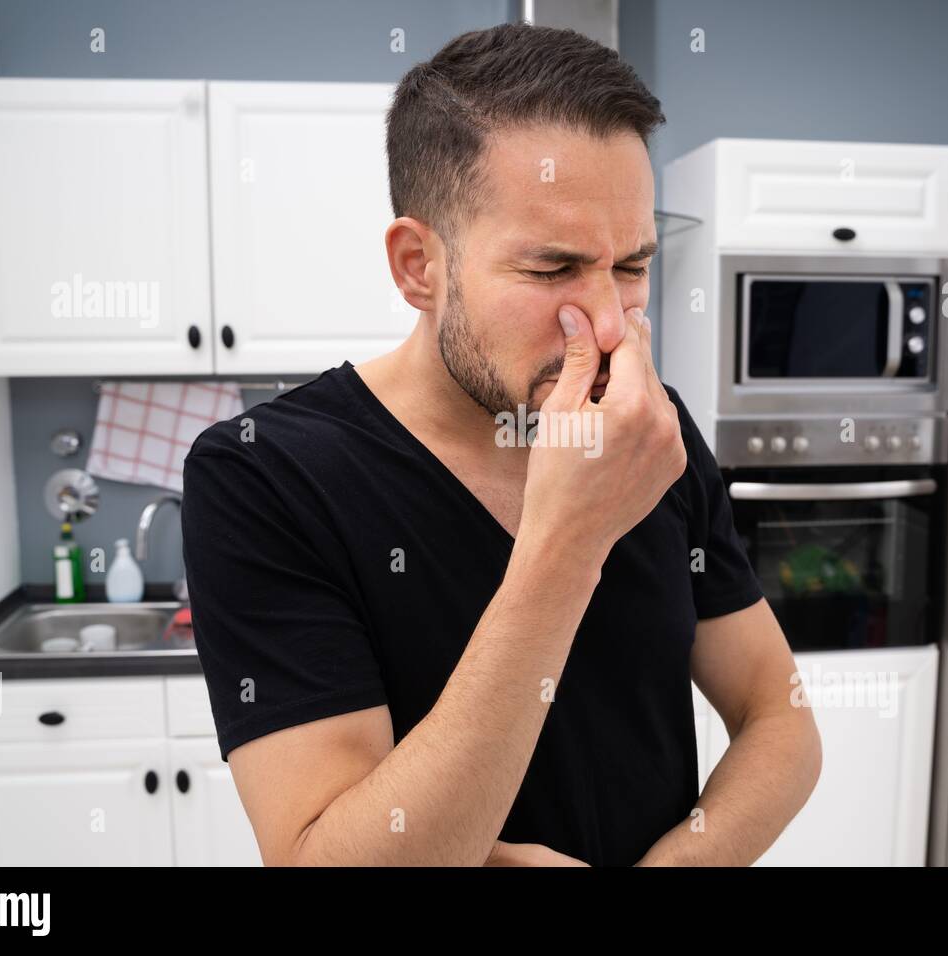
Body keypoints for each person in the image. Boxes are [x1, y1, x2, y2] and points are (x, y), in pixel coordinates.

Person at [181, 21, 821, 867]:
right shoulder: (264, 473)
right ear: (418, 267)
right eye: (552, 270)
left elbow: (782, 719)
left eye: (631, 265)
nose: (605, 320)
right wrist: (571, 539)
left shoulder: (648, 431)